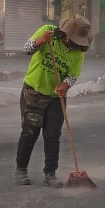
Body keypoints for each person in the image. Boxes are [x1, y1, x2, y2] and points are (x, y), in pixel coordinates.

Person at [16, 17, 90, 187]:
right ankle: (21, 169)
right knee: (30, 132)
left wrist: (65, 85)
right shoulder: (47, 31)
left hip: (56, 97)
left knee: (52, 135)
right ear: (65, 33)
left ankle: (50, 173)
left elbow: (73, 76)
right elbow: (26, 49)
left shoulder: (78, 54)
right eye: (71, 39)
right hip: (33, 91)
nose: (71, 43)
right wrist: (41, 41)